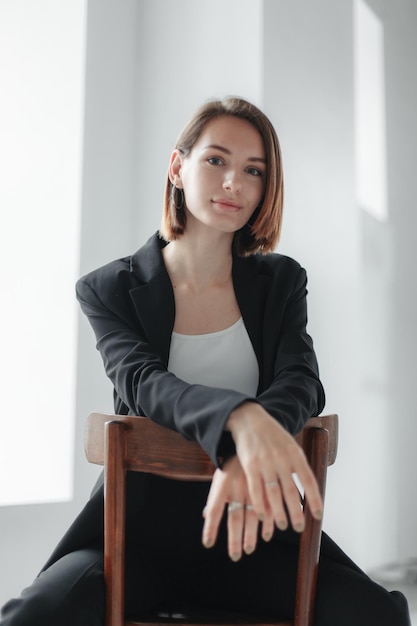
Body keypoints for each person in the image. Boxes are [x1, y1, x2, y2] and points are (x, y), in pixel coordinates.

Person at [1, 96, 411, 626]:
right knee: (36, 615)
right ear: (178, 167)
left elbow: (301, 382)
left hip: (258, 536)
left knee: (378, 614)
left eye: (253, 170)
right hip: (135, 537)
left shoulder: (282, 281)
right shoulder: (108, 289)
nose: (233, 183)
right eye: (216, 160)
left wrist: (249, 444)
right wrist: (239, 420)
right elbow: (146, 384)